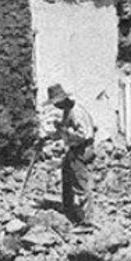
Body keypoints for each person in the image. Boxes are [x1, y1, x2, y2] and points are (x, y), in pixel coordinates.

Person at [44, 83, 96, 225]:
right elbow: (64, 133)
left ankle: (87, 221)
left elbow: (82, 135)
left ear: (62, 100)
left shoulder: (76, 112)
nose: (55, 107)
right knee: (66, 176)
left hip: (82, 148)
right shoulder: (67, 112)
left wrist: (64, 130)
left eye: (56, 104)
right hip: (74, 148)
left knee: (80, 182)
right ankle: (69, 212)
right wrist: (49, 136)